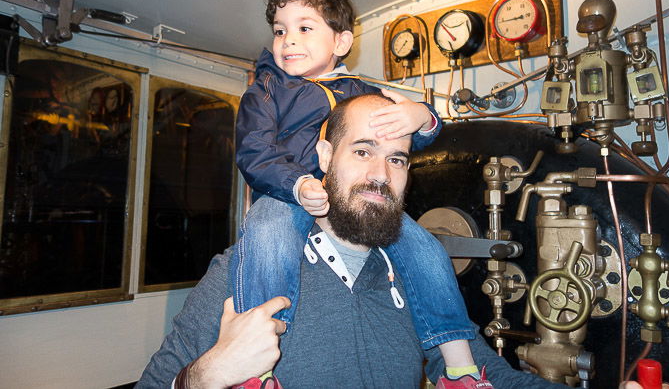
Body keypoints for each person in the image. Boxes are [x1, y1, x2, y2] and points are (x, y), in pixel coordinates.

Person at [137, 94, 567, 389]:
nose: (381, 173)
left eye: (396, 158)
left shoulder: (416, 275)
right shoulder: (244, 271)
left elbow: (490, 374)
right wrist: (207, 374)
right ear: (325, 158)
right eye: (362, 151)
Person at [232, 0, 482, 387]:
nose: (288, 40)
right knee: (266, 233)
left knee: (425, 249)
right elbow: (254, 151)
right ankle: (257, 371)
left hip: (350, 201)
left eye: (304, 28)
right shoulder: (266, 90)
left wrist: (423, 116)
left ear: (341, 42)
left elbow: (406, 136)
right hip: (285, 194)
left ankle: (461, 368)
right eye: (280, 30)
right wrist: (298, 183)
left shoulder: (360, 93)